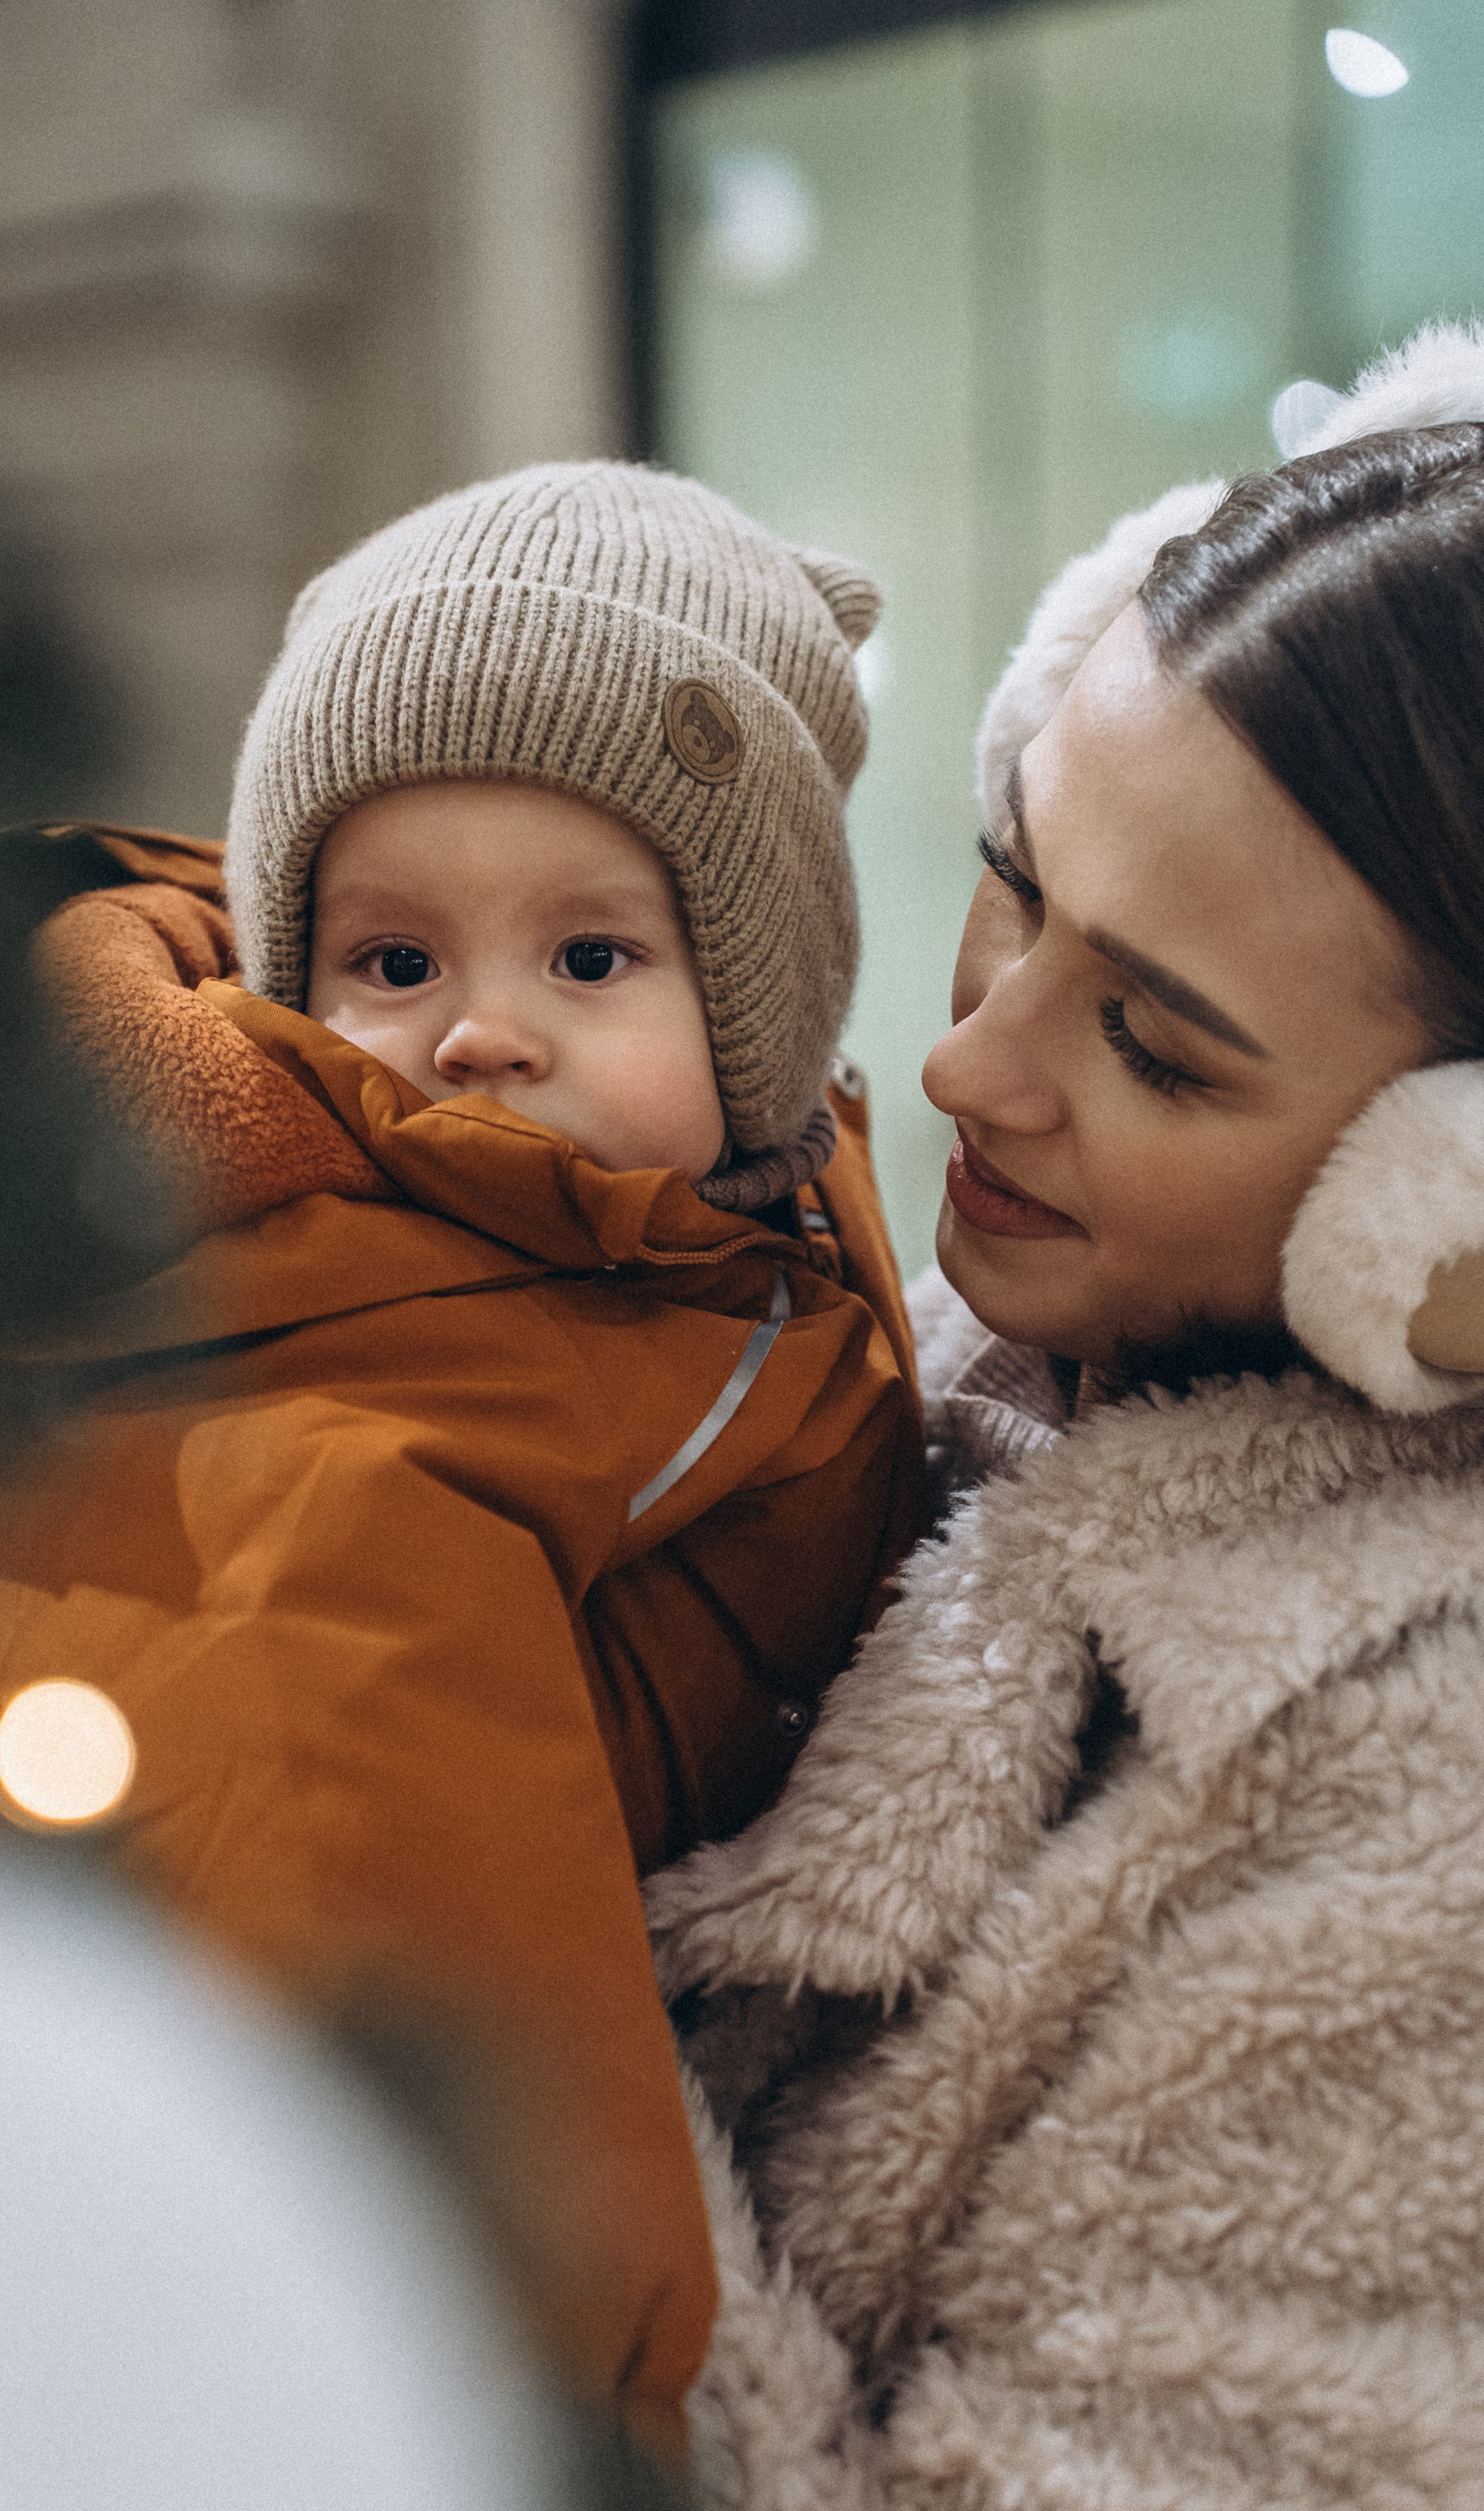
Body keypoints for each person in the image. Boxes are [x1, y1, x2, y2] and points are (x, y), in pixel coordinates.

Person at [0, 462, 926, 2458]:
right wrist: (553, 2424)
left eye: (588, 960)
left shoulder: (736, 1229)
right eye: (394, 963)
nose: (480, 1035)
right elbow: (370, 1914)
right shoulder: (346, 1397)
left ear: (768, 1021)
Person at [649, 323, 1484, 2510]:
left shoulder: (1439, 1817)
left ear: (1451, 1200)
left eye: (1161, 1049)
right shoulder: (900, 1352)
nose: (969, 1067)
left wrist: (487, 2059)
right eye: (1017, 874)